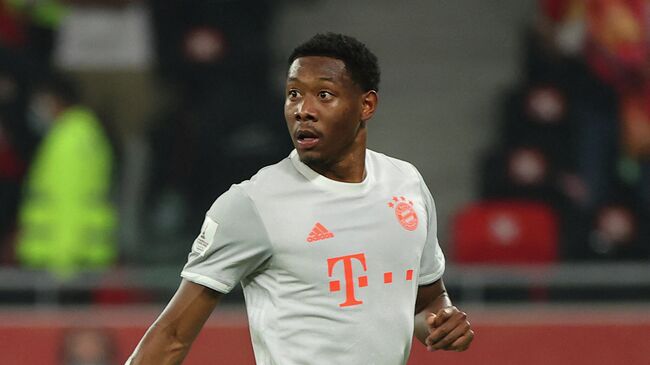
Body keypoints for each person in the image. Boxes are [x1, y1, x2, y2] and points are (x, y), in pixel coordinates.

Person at [127, 33, 474, 365]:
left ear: (366, 105)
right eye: (294, 94)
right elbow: (172, 334)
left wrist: (441, 322)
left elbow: (425, 303)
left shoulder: (406, 184)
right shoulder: (253, 204)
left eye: (324, 95)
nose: (302, 110)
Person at [16, 74, 117, 278]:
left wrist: (63, 268)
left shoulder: (69, 140)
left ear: (55, 99)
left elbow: (68, 202)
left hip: (63, 261)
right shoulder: (83, 132)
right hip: (77, 257)